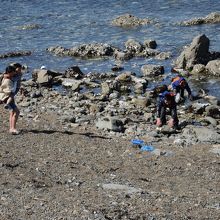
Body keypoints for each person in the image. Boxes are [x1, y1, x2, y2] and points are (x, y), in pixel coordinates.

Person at [0, 66, 20, 134]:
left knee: (12, 112)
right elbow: (8, 90)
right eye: (13, 71)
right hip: (7, 97)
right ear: (10, 72)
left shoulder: (5, 76)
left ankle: (11, 128)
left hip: (6, 96)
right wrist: (12, 93)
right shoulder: (7, 80)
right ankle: (13, 129)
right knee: (16, 112)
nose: (15, 73)